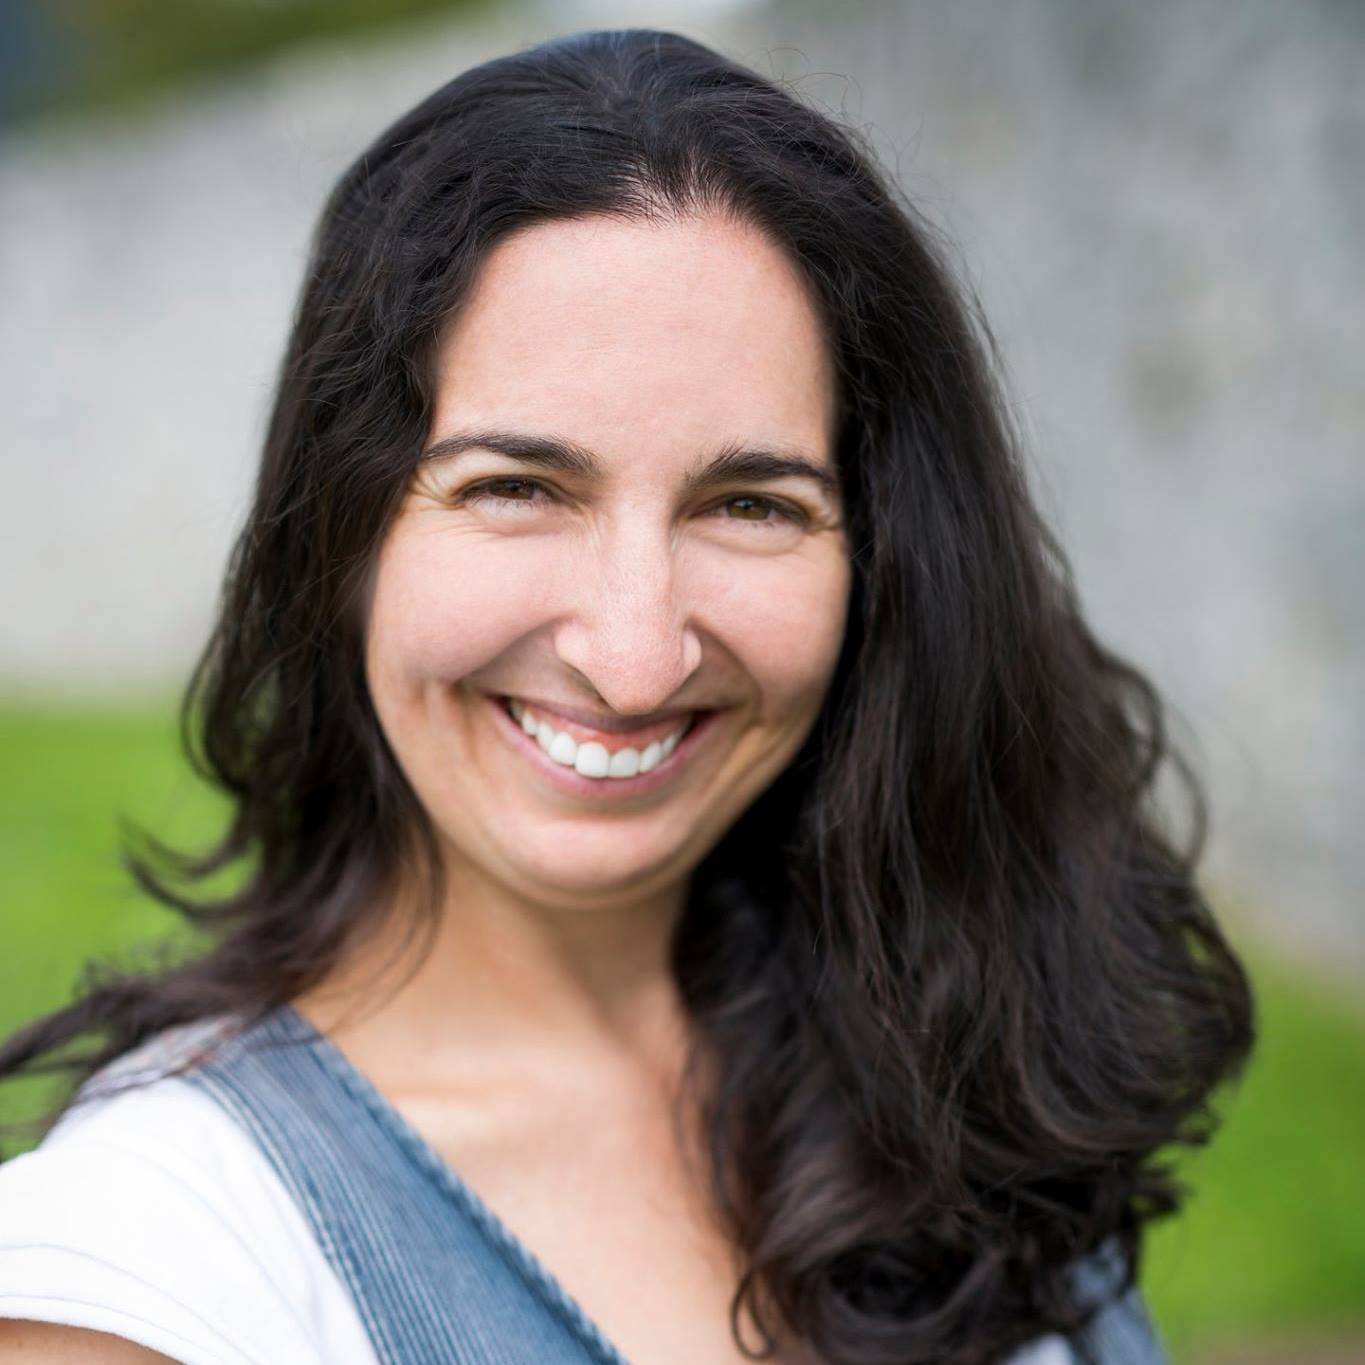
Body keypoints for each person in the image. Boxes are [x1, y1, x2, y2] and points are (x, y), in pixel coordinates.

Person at [0, 26, 1254, 1365]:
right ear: (343, 536)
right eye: (517, 488)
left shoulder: (972, 1053)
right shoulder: (155, 1271)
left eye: (750, 504)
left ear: (885, 562)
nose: (635, 655)